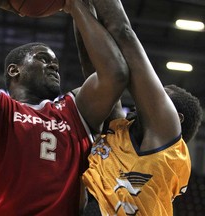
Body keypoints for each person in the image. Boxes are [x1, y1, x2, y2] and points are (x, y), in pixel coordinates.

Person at [0, 0, 129, 215]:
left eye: (56, 64)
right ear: (14, 71)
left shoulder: (74, 111)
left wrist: (75, 6)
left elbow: (116, 74)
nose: (53, 66)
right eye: (43, 59)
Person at [73, 0, 203, 215]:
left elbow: (123, 33)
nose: (152, 92)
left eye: (163, 95)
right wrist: (78, 7)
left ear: (175, 118)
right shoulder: (119, 132)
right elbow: (99, 69)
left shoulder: (165, 143)